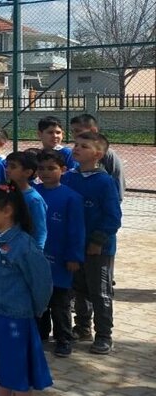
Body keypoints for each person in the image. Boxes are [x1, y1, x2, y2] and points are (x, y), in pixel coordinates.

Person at [0, 185, 54, 396]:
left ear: (7, 210)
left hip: (15, 319)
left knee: (19, 371)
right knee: (2, 366)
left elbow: (42, 284)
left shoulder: (23, 245)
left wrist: (35, 311)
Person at [63, 131, 121, 355]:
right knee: (79, 288)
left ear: (98, 154)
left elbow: (113, 216)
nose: (76, 148)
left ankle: (104, 335)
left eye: (83, 146)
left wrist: (98, 241)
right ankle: (83, 327)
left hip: (99, 248)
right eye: (76, 144)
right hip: (74, 246)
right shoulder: (69, 177)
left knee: (100, 291)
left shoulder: (105, 182)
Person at [33, 150, 85, 358]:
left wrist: (74, 256)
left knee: (60, 302)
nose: (45, 172)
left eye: (51, 168)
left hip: (60, 259)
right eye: (41, 168)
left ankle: (64, 339)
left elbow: (76, 229)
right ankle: (40, 334)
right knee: (39, 298)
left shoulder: (72, 197)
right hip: (36, 258)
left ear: (63, 170)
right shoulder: (33, 192)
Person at [69, 114, 125, 200]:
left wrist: (117, 200)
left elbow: (117, 178)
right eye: (72, 131)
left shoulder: (108, 155)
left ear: (93, 130)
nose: (74, 135)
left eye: (77, 131)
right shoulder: (76, 152)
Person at [5, 152, 48, 250]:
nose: (7, 170)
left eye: (13, 167)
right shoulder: (5, 192)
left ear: (28, 172)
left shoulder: (34, 199)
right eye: (7, 166)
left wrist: (37, 254)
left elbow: (40, 231)